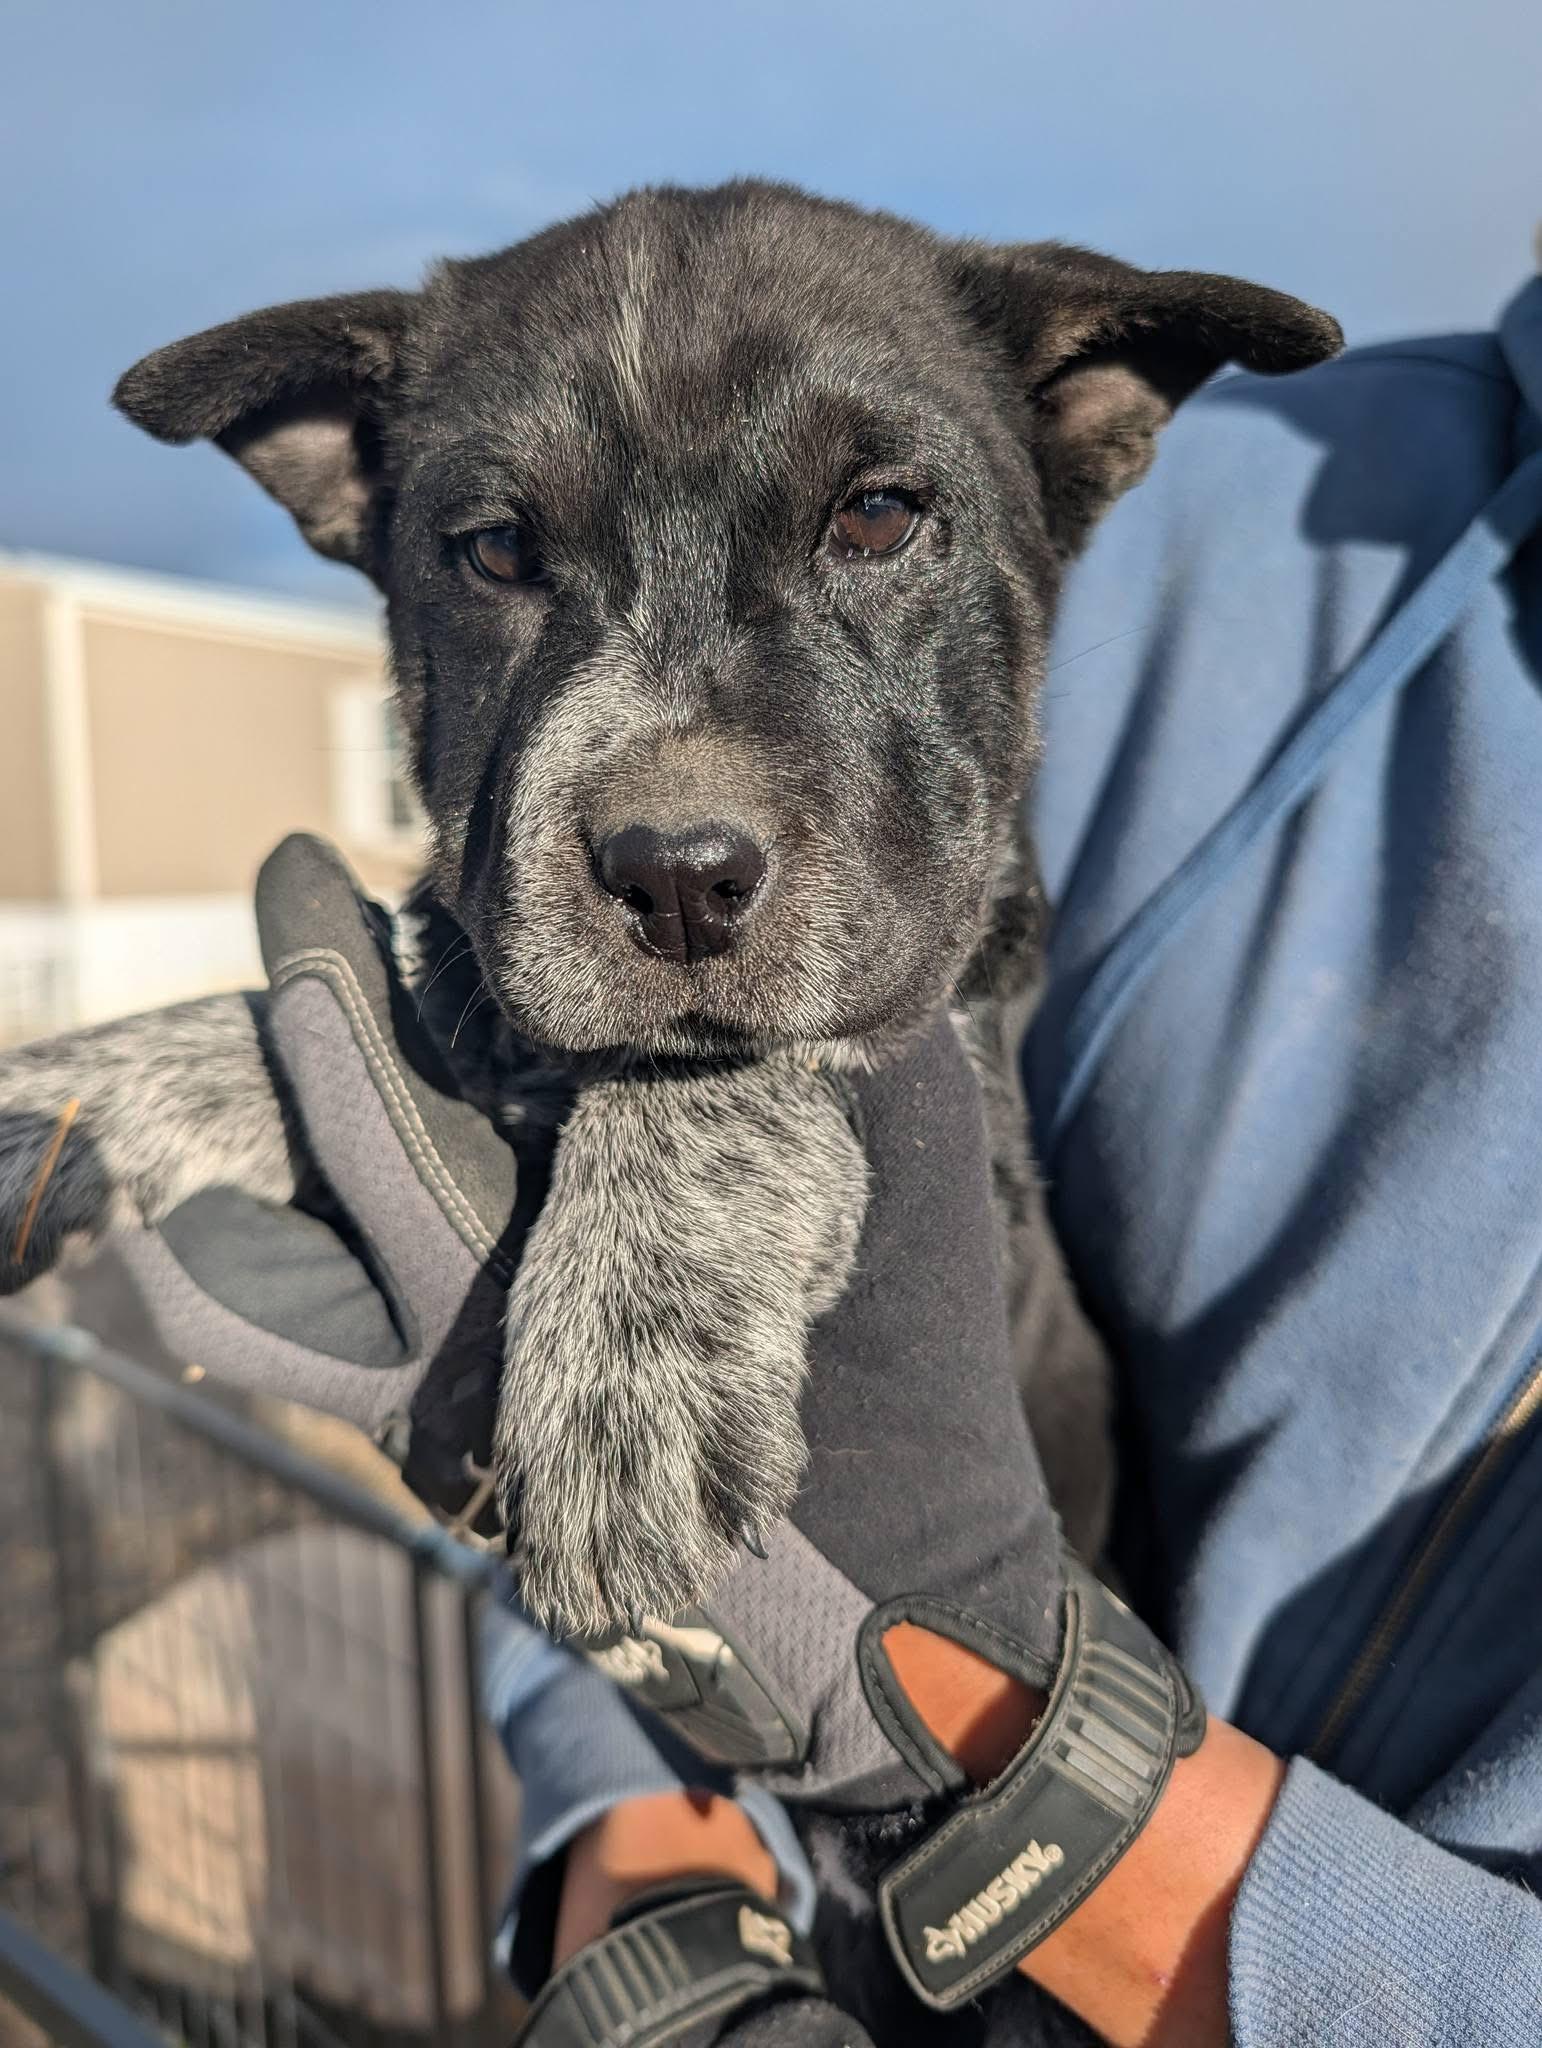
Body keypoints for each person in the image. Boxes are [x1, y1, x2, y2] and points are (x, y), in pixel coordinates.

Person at [63, 257, 1542, 2046]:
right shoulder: (1269, 499)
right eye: (509, 555)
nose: (679, 791)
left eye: (873, 520)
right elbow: (572, 1269)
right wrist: (649, 1867)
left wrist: (1029, 1789)